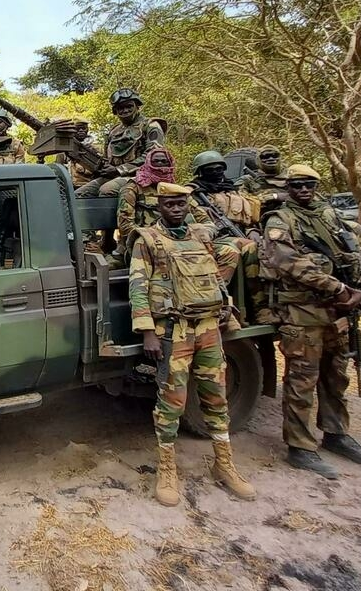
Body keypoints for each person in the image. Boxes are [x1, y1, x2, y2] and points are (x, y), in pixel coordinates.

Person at [129, 183, 256, 506]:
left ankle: (224, 464)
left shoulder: (201, 236)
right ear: (159, 206)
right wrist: (148, 331)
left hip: (209, 328)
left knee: (216, 397)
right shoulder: (148, 241)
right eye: (169, 204)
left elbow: (222, 263)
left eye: (180, 203)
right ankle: (168, 470)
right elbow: (138, 287)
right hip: (175, 330)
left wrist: (221, 300)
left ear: (188, 205)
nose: (175, 208)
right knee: (172, 401)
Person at [261, 164, 361, 479]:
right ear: (288, 187)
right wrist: (339, 289)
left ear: (316, 186)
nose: (303, 190)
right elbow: (287, 262)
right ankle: (300, 447)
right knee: (302, 381)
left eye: (309, 184)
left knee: (336, 376)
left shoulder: (330, 216)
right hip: (303, 313)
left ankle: (336, 433)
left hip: (338, 312)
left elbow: (357, 254)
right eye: (297, 185)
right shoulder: (279, 221)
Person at [189, 151, 266, 322]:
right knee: (238, 250)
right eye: (210, 169)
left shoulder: (233, 189)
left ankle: (260, 306)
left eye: (219, 168)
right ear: (200, 172)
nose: (216, 172)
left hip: (239, 234)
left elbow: (248, 218)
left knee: (258, 247)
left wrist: (253, 231)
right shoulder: (193, 193)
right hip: (213, 238)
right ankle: (217, 301)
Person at [75, 88, 165, 197]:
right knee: (78, 194)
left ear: (137, 106)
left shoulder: (151, 126)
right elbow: (107, 159)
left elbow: (153, 157)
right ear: (115, 111)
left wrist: (120, 170)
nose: (125, 110)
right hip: (115, 175)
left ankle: (121, 214)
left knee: (107, 190)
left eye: (129, 106)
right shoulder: (113, 131)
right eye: (120, 108)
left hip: (142, 175)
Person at [116, 147, 176, 251]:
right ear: (149, 162)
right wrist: (150, 238)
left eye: (164, 161)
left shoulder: (174, 187)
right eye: (156, 161)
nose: (160, 164)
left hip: (173, 241)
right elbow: (125, 224)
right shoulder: (133, 187)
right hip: (141, 243)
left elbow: (195, 212)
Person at [240, 145, 290, 210]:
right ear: (258, 160)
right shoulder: (248, 180)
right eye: (265, 156)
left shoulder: (291, 177)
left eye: (275, 156)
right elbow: (240, 201)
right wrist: (274, 196)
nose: (271, 159)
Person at [59, 120, 96, 187]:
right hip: (69, 187)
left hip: (90, 186)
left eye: (84, 128)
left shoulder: (96, 149)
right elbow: (59, 172)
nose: (81, 131)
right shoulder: (64, 152)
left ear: (87, 130)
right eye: (77, 129)